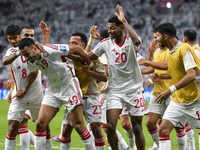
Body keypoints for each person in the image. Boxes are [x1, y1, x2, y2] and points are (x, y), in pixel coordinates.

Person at [18, 38, 94, 150]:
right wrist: (24, 90)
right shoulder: (30, 61)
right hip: (53, 88)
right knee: (40, 123)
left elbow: (77, 48)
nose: (26, 58)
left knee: (78, 126)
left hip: (69, 85)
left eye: (27, 54)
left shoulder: (50, 49)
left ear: (34, 48)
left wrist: (91, 65)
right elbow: (33, 74)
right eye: (23, 55)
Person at [88, 5, 146, 150]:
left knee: (137, 128)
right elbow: (88, 57)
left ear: (121, 28)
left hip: (134, 91)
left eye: (112, 28)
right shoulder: (105, 44)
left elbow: (138, 41)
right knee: (111, 127)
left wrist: (125, 21)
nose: (109, 31)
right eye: (108, 28)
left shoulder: (130, 41)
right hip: (115, 91)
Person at [149, 23, 200, 150]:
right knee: (163, 130)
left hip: (194, 100)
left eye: (158, 36)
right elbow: (175, 73)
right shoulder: (170, 52)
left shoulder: (184, 48)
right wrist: (161, 77)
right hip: (178, 100)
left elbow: (191, 75)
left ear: (165, 37)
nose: (156, 39)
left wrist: (169, 90)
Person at [3, 25, 44, 150]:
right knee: (13, 125)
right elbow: (11, 68)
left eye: (15, 38)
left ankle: (41, 146)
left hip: (34, 95)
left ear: (20, 36)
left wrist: (23, 90)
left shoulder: (33, 50)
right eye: (10, 39)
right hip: (19, 95)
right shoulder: (12, 51)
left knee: (40, 126)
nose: (13, 41)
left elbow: (34, 72)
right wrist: (13, 89)